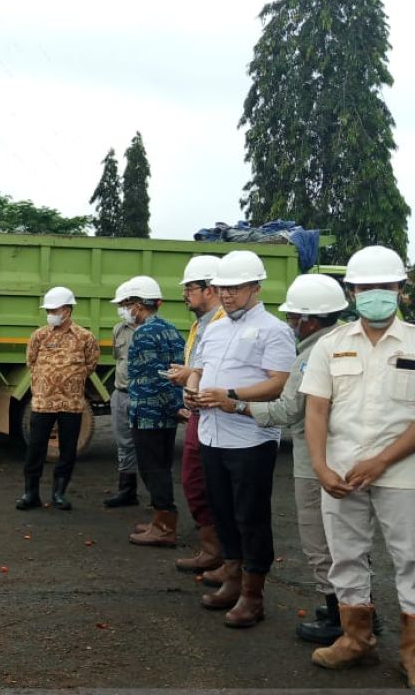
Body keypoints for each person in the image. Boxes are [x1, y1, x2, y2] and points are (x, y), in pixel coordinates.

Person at [299, 246, 415, 680]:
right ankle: (356, 639)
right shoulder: (332, 345)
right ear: (351, 292)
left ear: (400, 290)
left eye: (385, 287)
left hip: (404, 472)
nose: (376, 295)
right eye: (366, 287)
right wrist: (320, 466)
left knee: (411, 558)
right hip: (341, 473)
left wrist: (382, 461)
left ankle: (412, 650)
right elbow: (316, 411)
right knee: (345, 556)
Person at [217, 274, 345, 644]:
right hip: (347, 454)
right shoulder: (347, 342)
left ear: (309, 320)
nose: (290, 323)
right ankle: (350, 607)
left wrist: (237, 404)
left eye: (294, 318)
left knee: (321, 543)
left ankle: (342, 616)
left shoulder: (311, 355)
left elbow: (288, 409)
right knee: (350, 540)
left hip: (316, 460)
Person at [188, 250, 295, 628]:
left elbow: (278, 384)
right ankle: (232, 579)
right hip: (212, 434)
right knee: (223, 511)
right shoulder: (214, 327)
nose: (227, 294)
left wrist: (231, 396)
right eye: (222, 287)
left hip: (250, 438)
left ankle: (253, 594)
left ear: (255, 287)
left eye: (235, 287)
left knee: (251, 516)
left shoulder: (274, 329)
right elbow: (199, 370)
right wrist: (193, 389)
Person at [167, 255, 227, 576]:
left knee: (209, 482)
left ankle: (221, 555)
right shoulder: (198, 325)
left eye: (191, 287)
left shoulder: (222, 324)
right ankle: (213, 549)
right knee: (195, 480)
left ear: (211, 289)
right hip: (197, 411)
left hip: (216, 412)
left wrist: (190, 374)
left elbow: (218, 371)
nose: (186, 294)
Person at [17, 286, 100, 512]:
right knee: (35, 448)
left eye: (54, 309)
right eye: (49, 309)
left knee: (68, 449)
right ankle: (30, 493)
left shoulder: (85, 337)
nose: (50, 313)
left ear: (67, 310)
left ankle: (59, 493)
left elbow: (90, 364)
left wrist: (69, 380)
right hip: (43, 403)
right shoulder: (39, 336)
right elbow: (31, 362)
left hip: (72, 405)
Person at [118, 276, 186, 546]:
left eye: (125, 305)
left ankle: (165, 527)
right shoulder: (170, 329)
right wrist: (176, 406)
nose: (123, 310)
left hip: (149, 413)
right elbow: (177, 371)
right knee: (162, 466)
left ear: (138, 305)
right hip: (165, 412)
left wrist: (170, 406)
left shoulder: (144, 333)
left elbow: (153, 377)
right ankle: (160, 519)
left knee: (152, 469)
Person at [103, 281, 139, 508]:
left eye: (126, 305)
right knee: (123, 443)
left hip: (144, 397)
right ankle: (127, 491)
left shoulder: (155, 330)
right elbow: (118, 357)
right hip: (121, 393)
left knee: (149, 447)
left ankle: (159, 499)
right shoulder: (118, 329)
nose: (122, 309)